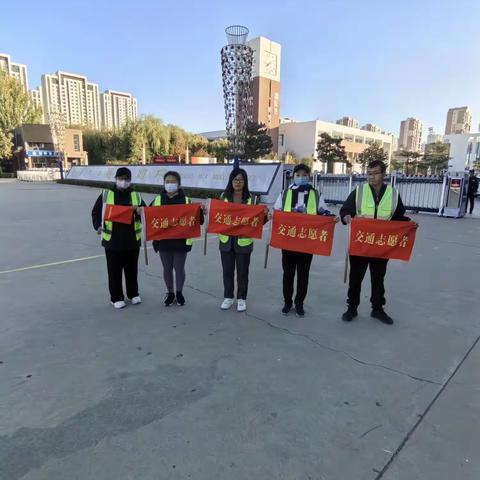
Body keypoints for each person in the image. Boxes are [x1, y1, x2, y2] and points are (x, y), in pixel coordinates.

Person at [340, 160, 411, 325]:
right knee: (356, 278)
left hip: (380, 246)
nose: (371, 177)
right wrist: (347, 217)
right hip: (361, 244)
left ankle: (377, 309)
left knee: (378, 278)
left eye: (375, 173)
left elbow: (399, 216)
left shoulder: (392, 194)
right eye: (369, 173)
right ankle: (352, 307)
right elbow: (345, 210)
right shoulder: (359, 192)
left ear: (383, 174)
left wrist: (409, 224)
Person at [274, 163, 337, 317]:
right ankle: (287, 302)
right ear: (293, 177)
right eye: (298, 175)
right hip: (288, 241)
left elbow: (323, 211)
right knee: (288, 274)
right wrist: (271, 215)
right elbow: (277, 211)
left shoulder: (315, 194)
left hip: (307, 242)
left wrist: (331, 218)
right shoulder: (284, 193)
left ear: (308, 177)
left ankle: (299, 303)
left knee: (303, 275)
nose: (301, 178)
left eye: (304, 175)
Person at [91, 167, 145, 309]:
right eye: (121, 178)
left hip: (132, 240)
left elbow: (146, 213)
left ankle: (133, 293)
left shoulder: (136, 195)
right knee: (114, 271)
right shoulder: (106, 194)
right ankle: (116, 297)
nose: (123, 181)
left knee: (132, 269)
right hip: (112, 240)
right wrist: (97, 226)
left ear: (130, 180)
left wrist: (140, 211)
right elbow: (96, 212)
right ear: (115, 179)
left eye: (126, 179)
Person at [150, 171, 205, 307]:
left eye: (173, 181)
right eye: (167, 181)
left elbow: (198, 220)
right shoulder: (157, 200)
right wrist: (140, 211)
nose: (170, 184)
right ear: (164, 184)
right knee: (167, 268)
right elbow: (147, 217)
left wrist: (201, 211)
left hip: (181, 240)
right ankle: (170, 293)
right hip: (163, 241)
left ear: (179, 184)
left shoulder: (187, 201)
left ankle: (179, 293)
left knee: (179, 268)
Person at [219, 168, 269, 313]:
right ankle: (228, 297)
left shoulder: (252, 199)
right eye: (235, 179)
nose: (238, 182)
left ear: (245, 182)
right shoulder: (224, 196)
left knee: (242, 272)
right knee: (227, 271)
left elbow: (257, 222)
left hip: (244, 242)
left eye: (241, 179)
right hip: (226, 241)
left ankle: (241, 299)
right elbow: (218, 216)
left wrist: (265, 216)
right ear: (231, 181)